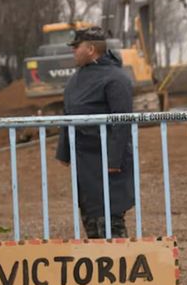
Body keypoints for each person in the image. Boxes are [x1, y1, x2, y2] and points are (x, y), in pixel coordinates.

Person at [55, 26, 134, 238]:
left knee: (110, 220)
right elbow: (67, 114)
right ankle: (100, 265)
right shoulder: (75, 79)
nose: (72, 51)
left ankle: (119, 265)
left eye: (76, 47)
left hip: (107, 164)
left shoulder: (116, 79)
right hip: (84, 164)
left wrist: (114, 161)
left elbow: (123, 122)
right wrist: (64, 152)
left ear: (90, 49)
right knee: (91, 219)